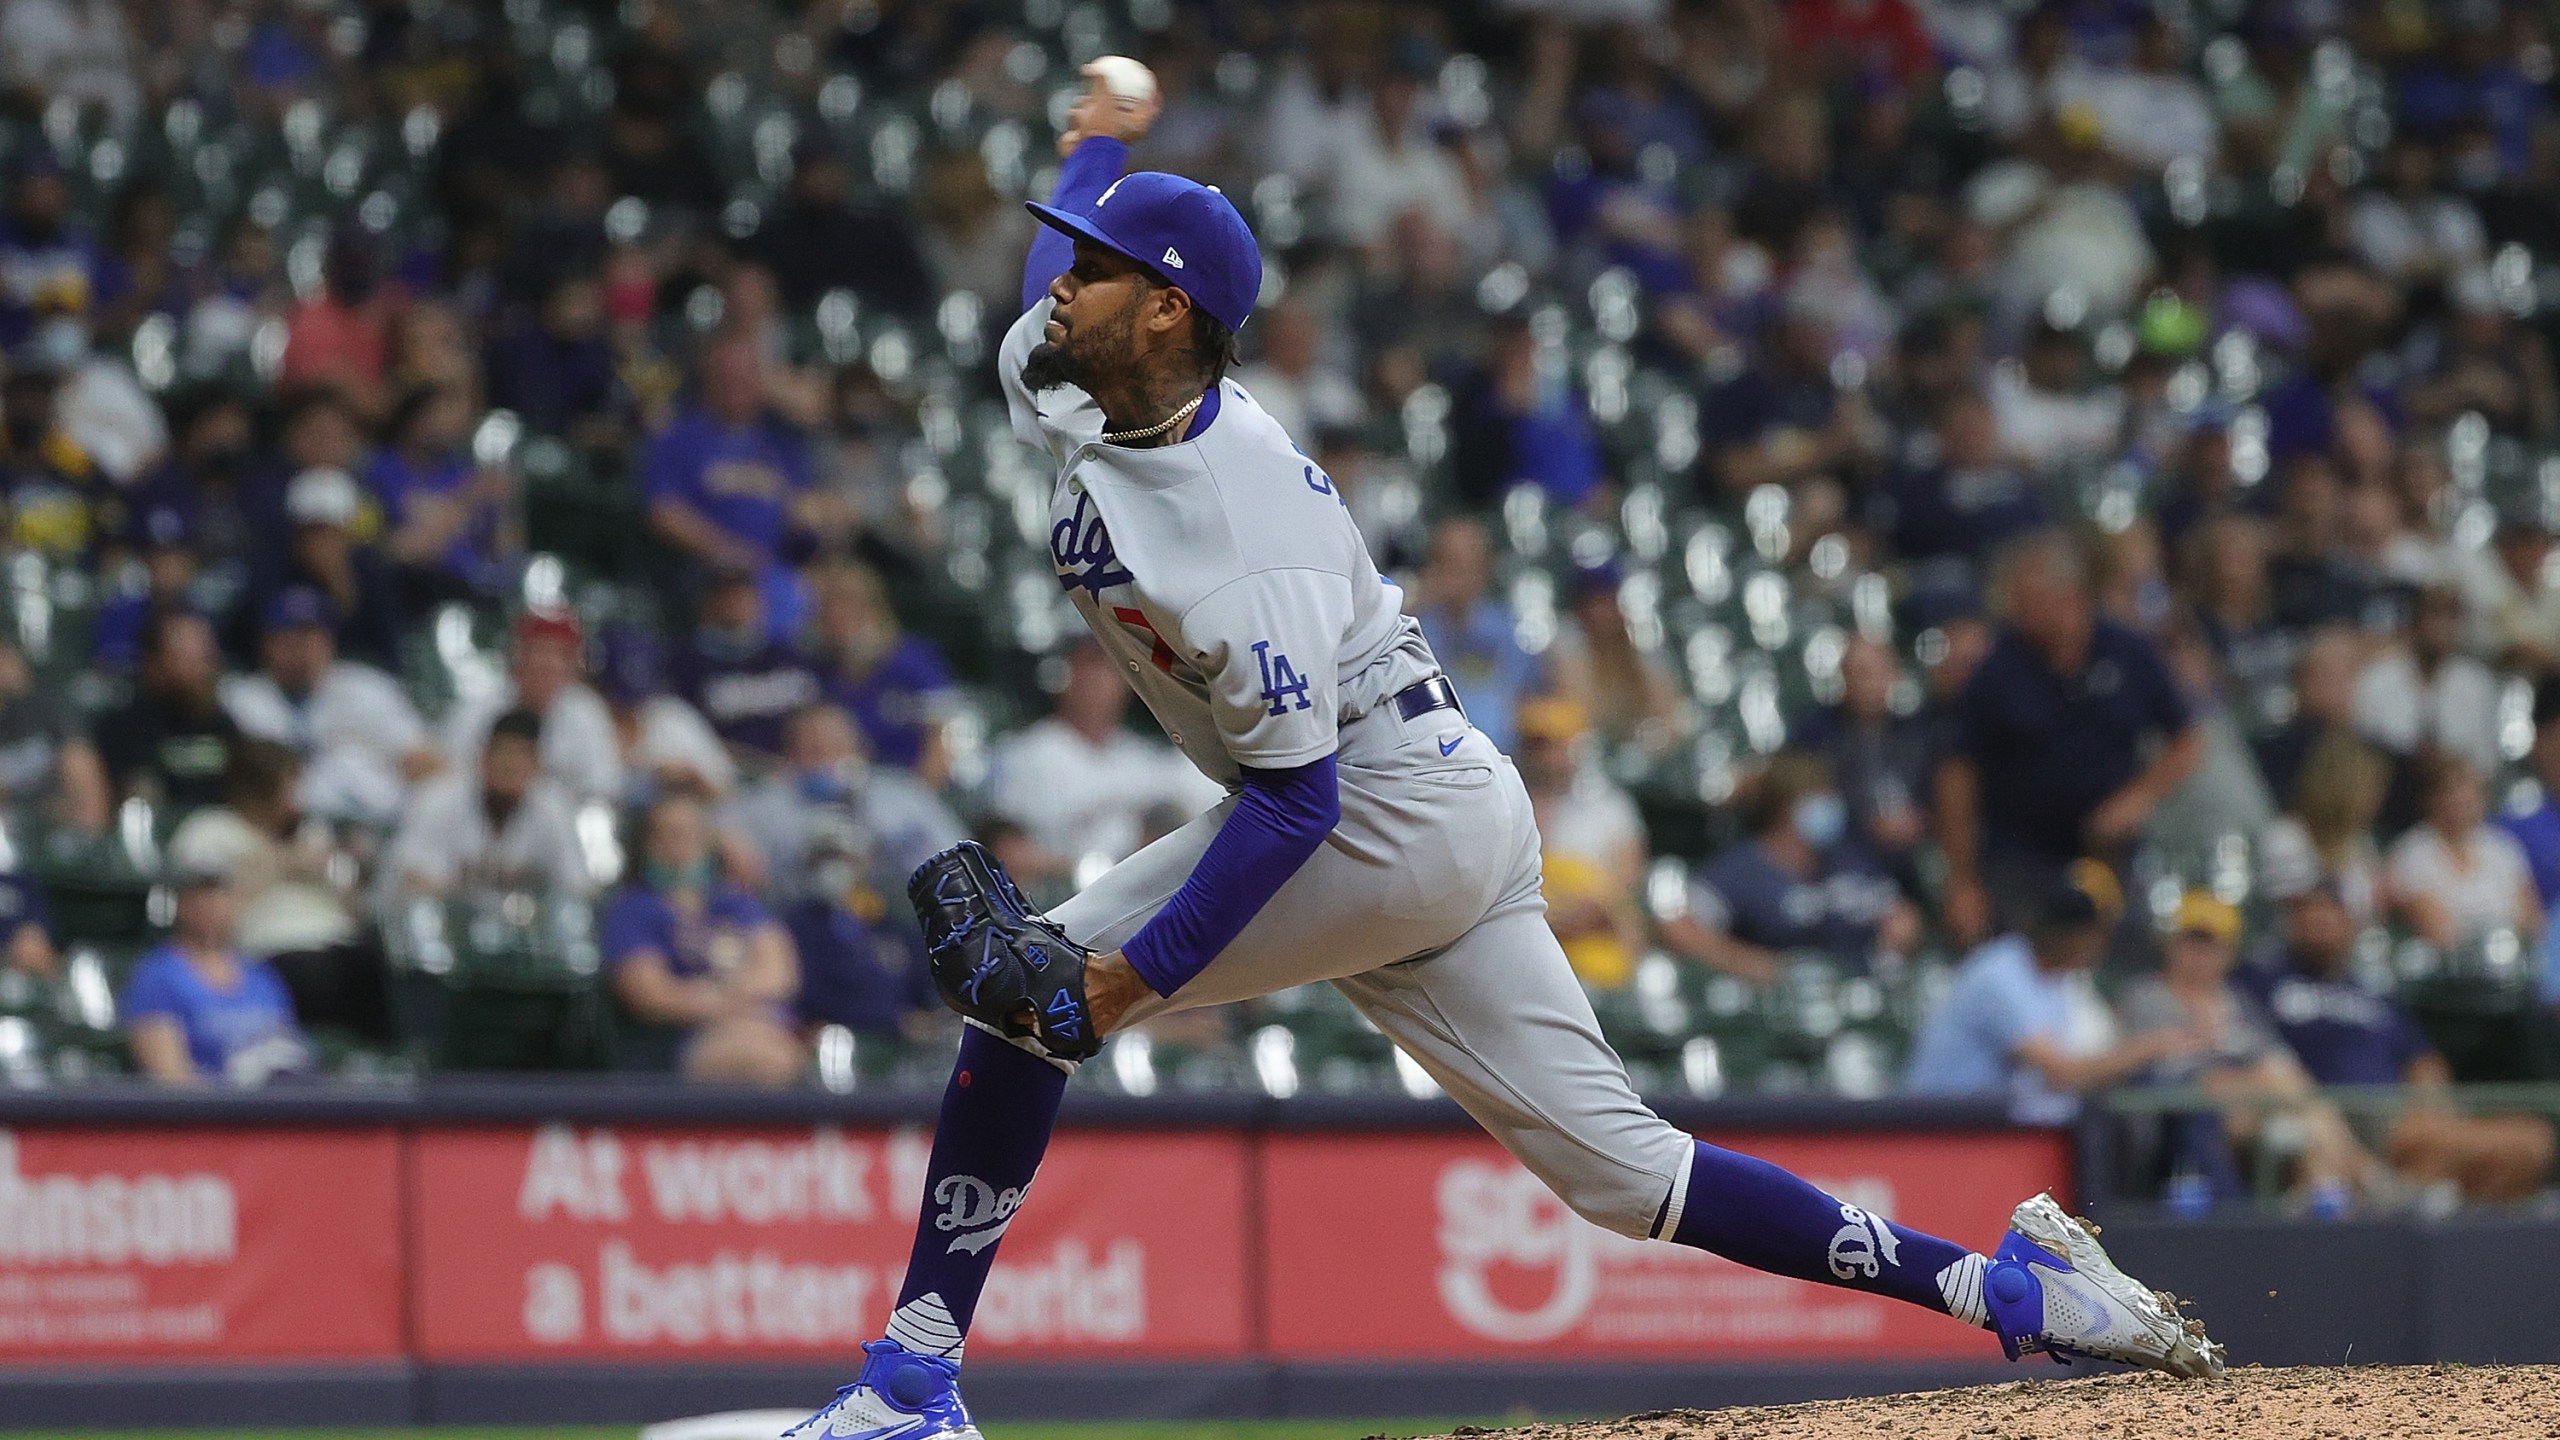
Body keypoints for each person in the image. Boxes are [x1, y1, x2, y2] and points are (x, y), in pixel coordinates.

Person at [788, 70, 2222, 1440]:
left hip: (1376, 807)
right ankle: (2032, 1297)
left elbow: (1295, 814)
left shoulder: (1243, 549)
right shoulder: (1056, 358)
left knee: (1027, 997)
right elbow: (1081, 238)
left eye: (1094, 267)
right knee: (1627, 1174)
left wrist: (1114, 984)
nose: (1057, 283)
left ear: (1166, 313)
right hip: (1433, 797)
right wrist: (1095, 144)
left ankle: (912, 1385)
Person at [1937, 530, 2200, 943]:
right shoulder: (1997, 670)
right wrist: (1962, 880)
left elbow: (2186, 741)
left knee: (2127, 956)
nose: (2016, 613)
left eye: (2029, 601)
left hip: (2109, 852)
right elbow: (1958, 773)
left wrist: (2136, 800)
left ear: (2070, 597)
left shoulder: (2128, 653)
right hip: (2021, 856)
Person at [2242, 881, 2555, 1203]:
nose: (2320, 928)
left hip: (2393, 1113)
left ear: (2349, 925)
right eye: (2310, 919)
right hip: (2324, 1110)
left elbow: (2422, 1059)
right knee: (2432, 1144)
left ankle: (2434, 1217)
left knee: (2532, 1141)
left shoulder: (2373, 991)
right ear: (2293, 925)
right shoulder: (2266, 982)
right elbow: (2252, 1052)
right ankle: (2396, 1197)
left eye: (2329, 918)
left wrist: (2431, 1100)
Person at [2118, 892, 2378, 1208]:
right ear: (2171, 945)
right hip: (2185, 1109)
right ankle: (2369, 1178)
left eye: (2212, 945)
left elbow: (2278, 1058)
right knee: (2283, 1090)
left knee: (2300, 1127)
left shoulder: (2236, 1000)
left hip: (2251, 1109)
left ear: (2228, 952)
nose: (2201, 955)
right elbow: (2160, 1068)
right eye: (2192, 942)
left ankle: (2328, 1203)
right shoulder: (2147, 996)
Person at [1905, 865, 2200, 1120]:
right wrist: (2152, 1047)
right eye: (2093, 934)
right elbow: (2063, 1074)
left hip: (1991, 1132)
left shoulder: (2056, 981)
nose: (2099, 945)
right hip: (1939, 1131)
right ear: (2073, 935)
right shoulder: (2000, 973)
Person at [165, 740, 387, 1041]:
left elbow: (353, 908)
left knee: (377, 966)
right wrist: (282, 864)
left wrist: (342, 870)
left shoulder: (311, 833)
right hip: (269, 950)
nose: (296, 799)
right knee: (313, 976)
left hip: (338, 944)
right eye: (288, 787)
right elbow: (205, 910)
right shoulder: (208, 833)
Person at [603, 791, 806, 1086]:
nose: (681, 846)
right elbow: (651, 995)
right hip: (682, 1044)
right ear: (645, 844)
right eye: (668, 834)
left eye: (693, 834)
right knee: (765, 1059)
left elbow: (780, 973)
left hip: (762, 1026)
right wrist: (727, 1003)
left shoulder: (735, 903)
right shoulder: (633, 911)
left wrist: (719, 995)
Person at [1663, 751, 1917, 985]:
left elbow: (1899, 912)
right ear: (1786, 807)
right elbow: (1680, 930)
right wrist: (1752, 965)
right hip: (1778, 1008)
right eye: (1818, 799)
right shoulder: (1742, 869)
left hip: (1856, 993)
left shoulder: (1848, 858)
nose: (1831, 808)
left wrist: (1899, 930)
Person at [984, 638, 1223, 883]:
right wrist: (1079, 869)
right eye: (1091, 663)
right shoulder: (1024, 754)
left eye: (1111, 667)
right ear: (1065, 672)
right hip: (1058, 904)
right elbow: (1005, 854)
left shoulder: (1144, 760)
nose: (1100, 679)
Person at [218, 586, 441, 826]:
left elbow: (424, 759)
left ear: (329, 639)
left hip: (381, 824)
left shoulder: (368, 687)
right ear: (266, 643)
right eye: (287, 635)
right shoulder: (240, 698)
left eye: (310, 635)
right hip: (285, 828)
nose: (300, 646)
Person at [121, 859, 312, 1086]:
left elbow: (288, 1048)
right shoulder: (157, 977)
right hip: (212, 1114)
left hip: (277, 1107)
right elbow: (171, 1078)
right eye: (200, 897)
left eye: (220, 895)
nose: (211, 906)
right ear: (181, 905)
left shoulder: (261, 976)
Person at [382, 708, 592, 906]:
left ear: (537, 768)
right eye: (503, 753)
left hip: (517, 935)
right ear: (482, 758)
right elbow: (413, 881)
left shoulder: (553, 808)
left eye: (522, 756)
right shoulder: (440, 798)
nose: (510, 765)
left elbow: (577, 890)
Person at [1513, 695, 1648, 989]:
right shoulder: (1501, 804)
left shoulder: (1608, 807)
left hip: (1595, 947)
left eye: (1556, 745)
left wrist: (1578, 914)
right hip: (1521, 951)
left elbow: (1626, 886)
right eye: (1538, 745)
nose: (1548, 757)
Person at [442, 609, 622, 803]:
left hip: (564, 822)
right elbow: (449, 773)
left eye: (561, 654)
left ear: (574, 664)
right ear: (517, 655)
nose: (548, 663)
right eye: (539, 650)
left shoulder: (586, 710)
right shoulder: (481, 705)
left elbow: (604, 784)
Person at [1793, 634, 1933, 872]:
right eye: (1859, 674)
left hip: (1919, 852)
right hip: (1844, 859)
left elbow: (1945, 794)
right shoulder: (1816, 735)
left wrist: (1922, 821)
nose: (1869, 684)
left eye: (1877, 672)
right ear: (1843, 680)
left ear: (1894, 675)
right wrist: (1866, 825)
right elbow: (1807, 811)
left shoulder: (1920, 731)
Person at [810, 561, 958, 780]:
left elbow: (943, 736)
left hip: (912, 789)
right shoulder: (819, 672)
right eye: (831, 608)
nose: (840, 616)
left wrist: (921, 793)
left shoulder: (912, 660)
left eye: (851, 605)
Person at [1410, 515, 1541, 755]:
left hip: (1502, 760)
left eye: (1468, 565)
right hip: (1431, 760)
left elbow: (1525, 700)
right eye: (1448, 564)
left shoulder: (1508, 629)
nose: (1458, 576)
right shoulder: (1413, 626)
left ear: (1486, 567)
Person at [91, 608, 241, 817]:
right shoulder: (123, 729)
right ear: (153, 664)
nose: (204, 670)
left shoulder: (223, 725)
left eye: (206, 658)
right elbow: (136, 804)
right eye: (189, 658)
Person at [2386, 753, 2541, 951]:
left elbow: (2532, 921)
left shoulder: (2502, 847)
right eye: (2450, 792)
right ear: (2431, 799)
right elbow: (2437, 930)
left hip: (2510, 961)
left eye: (2469, 792)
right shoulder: (2411, 853)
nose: (2460, 801)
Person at [668, 565, 825, 760]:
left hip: (803, 770)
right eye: (727, 595)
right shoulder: (685, 662)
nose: (737, 602)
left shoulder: (790, 656)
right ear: (707, 602)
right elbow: (684, 733)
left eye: (744, 594)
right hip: (733, 774)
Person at [2353, 580, 2503, 775]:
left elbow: (2486, 760)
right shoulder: (2377, 678)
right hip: (2391, 785)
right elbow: (2364, 748)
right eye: (2434, 615)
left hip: (2453, 788)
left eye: (2452, 617)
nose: (2443, 627)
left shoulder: (2477, 683)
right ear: (2415, 620)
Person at [593, 624, 734, 805]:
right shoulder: (586, 716)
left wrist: (689, 776)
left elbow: (726, 792)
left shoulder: (672, 716)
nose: (631, 707)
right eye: (621, 700)